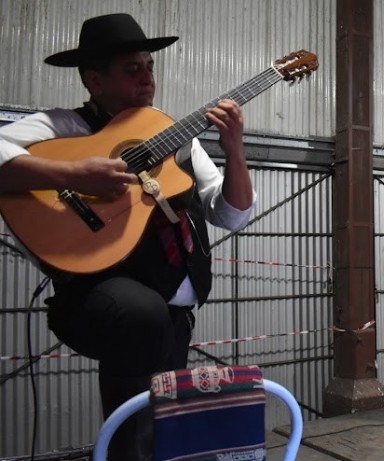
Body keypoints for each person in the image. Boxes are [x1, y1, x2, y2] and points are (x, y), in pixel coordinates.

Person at [0, 14, 255, 460]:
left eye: (149, 67)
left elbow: (232, 215)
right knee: (140, 334)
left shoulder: (177, 138)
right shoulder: (64, 126)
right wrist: (74, 174)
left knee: (163, 427)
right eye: (132, 69)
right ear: (95, 81)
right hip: (99, 299)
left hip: (174, 314)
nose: (147, 78)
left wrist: (234, 150)